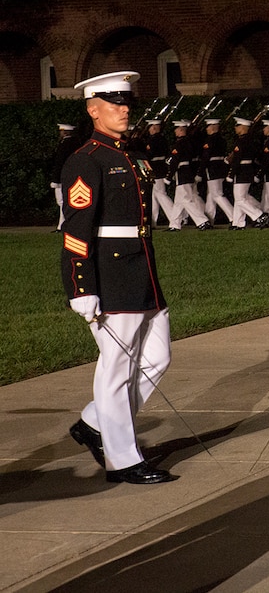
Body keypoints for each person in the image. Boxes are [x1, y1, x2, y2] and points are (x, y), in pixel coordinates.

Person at [61, 71, 176, 484]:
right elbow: (76, 230)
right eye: (114, 104)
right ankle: (123, 459)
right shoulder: (86, 159)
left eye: (127, 103)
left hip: (142, 268)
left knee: (158, 357)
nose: (125, 109)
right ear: (94, 110)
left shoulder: (132, 154)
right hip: (110, 274)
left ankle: (95, 422)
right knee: (116, 369)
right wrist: (81, 287)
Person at [166, 119, 211, 231]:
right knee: (178, 202)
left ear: (181, 130)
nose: (175, 132)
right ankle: (174, 224)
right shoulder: (189, 142)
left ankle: (202, 221)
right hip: (188, 172)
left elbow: (175, 161)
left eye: (176, 129)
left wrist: (168, 176)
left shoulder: (180, 143)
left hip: (182, 174)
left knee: (186, 200)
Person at [227, 116, 269, 230]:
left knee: (240, 199)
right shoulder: (250, 141)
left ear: (243, 127)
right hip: (248, 171)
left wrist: (231, 174)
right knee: (241, 198)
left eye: (237, 126)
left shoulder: (241, 141)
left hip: (241, 171)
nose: (235, 128)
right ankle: (238, 222)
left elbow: (237, 159)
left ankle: (259, 216)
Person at [200, 118, 234, 224]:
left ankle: (233, 216)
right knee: (211, 195)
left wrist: (200, 171)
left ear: (213, 128)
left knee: (217, 194)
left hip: (213, 168)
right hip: (221, 167)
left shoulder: (209, 140)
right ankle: (209, 217)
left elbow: (206, 156)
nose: (206, 129)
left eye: (208, 127)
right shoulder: (222, 139)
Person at [144, 119, 175, 226]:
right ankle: (152, 220)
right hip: (162, 167)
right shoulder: (163, 139)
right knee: (155, 195)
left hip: (155, 168)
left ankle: (174, 216)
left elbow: (149, 155)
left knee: (160, 193)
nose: (150, 130)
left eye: (151, 128)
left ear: (154, 128)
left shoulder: (152, 140)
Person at [51, 123, 81, 231]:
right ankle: (62, 224)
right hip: (67, 175)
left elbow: (59, 162)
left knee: (62, 201)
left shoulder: (65, 145)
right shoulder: (73, 143)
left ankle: (63, 225)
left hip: (62, 177)